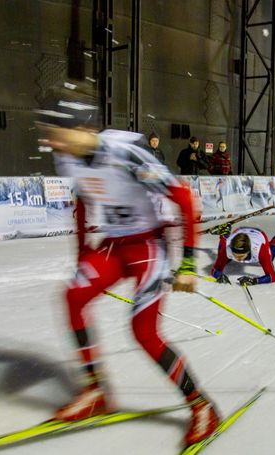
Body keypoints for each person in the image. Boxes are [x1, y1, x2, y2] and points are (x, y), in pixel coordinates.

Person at [36, 83, 220, 446]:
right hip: (113, 244)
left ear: (85, 129)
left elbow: (183, 198)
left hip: (149, 244)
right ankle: (95, 393)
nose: (54, 144)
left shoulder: (126, 154)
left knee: (143, 332)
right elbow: (83, 202)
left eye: (59, 134)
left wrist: (186, 265)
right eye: (50, 136)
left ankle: (201, 406)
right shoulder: (67, 157)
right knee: (73, 296)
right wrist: (82, 256)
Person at [210, 218, 275, 286]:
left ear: (248, 251)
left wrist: (254, 281)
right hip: (239, 231)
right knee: (224, 257)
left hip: (259, 234)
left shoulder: (260, 250)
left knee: (270, 258)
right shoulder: (227, 248)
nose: (239, 260)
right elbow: (215, 270)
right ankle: (225, 231)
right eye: (236, 255)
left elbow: (272, 276)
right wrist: (219, 275)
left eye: (241, 256)